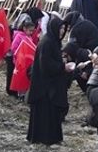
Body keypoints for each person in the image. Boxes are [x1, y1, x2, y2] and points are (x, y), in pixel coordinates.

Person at [27, 15, 74, 145]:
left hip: (49, 84)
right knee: (45, 113)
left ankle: (51, 137)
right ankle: (44, 138)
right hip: (44, 86)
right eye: (61, 28)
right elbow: (45, 64)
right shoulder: (47, 42)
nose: (62, 31)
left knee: (51, 113)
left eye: (64, 28)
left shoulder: (53, 41)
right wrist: (63, 67)